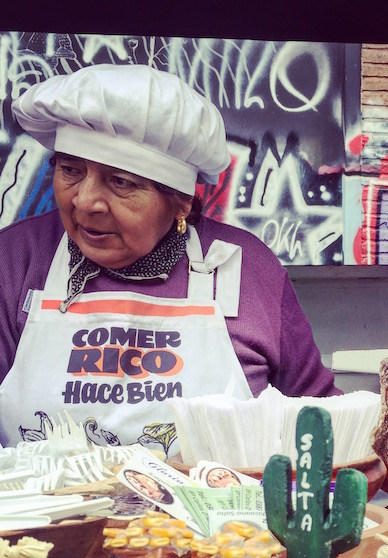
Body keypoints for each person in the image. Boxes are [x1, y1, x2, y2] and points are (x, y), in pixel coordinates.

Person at [0, 63, 339, 453]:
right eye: (71, 170)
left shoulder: (247, 269)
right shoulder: (15, 261)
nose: (85, 201)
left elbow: (319, 417)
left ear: (180, 202)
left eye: (120, 181)